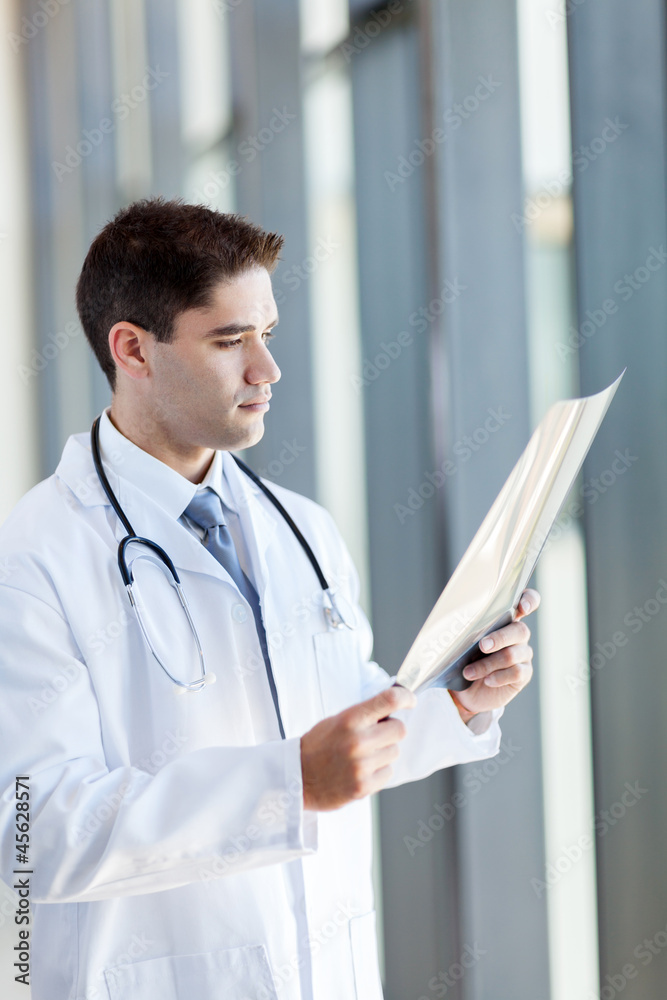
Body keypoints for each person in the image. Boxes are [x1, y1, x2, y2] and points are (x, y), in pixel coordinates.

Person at [0, 198, 538, 1000]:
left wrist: (458, 704)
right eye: (230, 341)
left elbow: (340, 725)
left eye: (268, 334)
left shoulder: (301, 528)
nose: (267, 370)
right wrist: (286, 786)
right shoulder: (35, 557)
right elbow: (32, 834)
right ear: (133, 349)